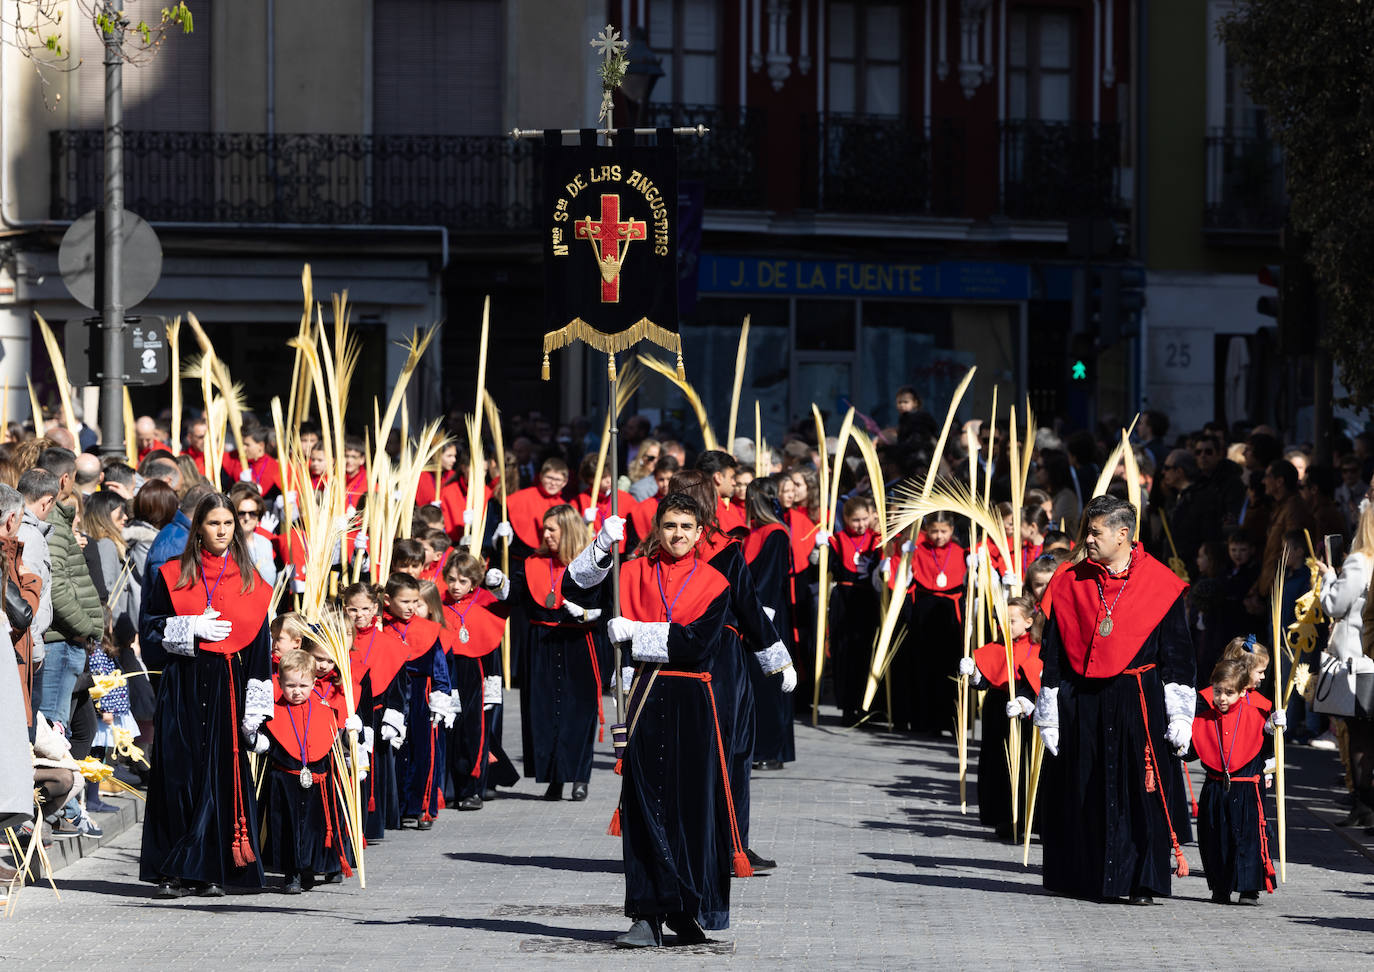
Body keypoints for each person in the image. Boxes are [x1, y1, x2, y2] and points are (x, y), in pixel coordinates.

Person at [568, 492, 786, 947]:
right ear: (657, 530)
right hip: (644, 697)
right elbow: (573, 591)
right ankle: (646, 915)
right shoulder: (630, 571)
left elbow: (697, 644)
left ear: (700, 532)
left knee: (693, 810)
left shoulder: (714, 582)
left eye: (687, 527)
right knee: (645, 809)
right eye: (670, 526)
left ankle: (687, 910)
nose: (678, 535)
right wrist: (599, 549)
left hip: (695, 700)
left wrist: (637, 632)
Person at [1034, 494, 1194, 905]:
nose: (1086, 538)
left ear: (1123, 534)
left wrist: (1180, 714)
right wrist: (1048, 710)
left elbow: (1177, 655)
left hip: (1137, 699)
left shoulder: (1162, 583)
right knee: (1084, 787)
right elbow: (1052, 652)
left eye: (1094, 531)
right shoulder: (1070, 580)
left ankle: (1140, 881)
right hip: (1083, 701)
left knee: (1137, 792)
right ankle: (1084, 877)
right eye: (1088, 530)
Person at [139, 492, 275, 898]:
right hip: (182, 685)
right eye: (214, 523)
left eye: (228, 523)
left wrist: (256, 712)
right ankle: (171, 871)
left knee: (220, 778)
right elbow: (149, 633)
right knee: (177, 775)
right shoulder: (172, 574)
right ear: (198, 526)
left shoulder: (252, 580)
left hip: (228, 688)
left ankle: (213, 869)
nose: (221, 530)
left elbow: (259, 649)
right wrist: (188, 628)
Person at [518, 504, 605, 800]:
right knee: (545, 711)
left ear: (567, 530)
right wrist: (500, 584)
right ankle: (554, 776)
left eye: (551, 529)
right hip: (542, 640)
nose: (545, 534)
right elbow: (517, 595)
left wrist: (589, 612)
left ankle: (580, 775)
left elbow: (606, 600)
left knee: (577, 711)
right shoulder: (533, 561)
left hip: (577, 641)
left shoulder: (590, 562)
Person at [1188, 650, 1281, 904]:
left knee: (1248, 837)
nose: (1221, 698)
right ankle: (1220, 886)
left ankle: (1249, 888)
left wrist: (1275, 730)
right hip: (1215, 788)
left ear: (1242, 692)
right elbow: (1192, 750)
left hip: (1246, 788)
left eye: (1228, 693)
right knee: (1215, 838)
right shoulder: (1204, 716)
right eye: (1218, 691)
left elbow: (1266, 747)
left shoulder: (1258, 714)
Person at [257, 647, 350, 894]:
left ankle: (308, 867)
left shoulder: (324, 712)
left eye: (303, 686)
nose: (296, 691)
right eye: (290, 685)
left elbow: (333, 747)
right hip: (285, 780)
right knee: (287, 828)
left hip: (316, 781)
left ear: (313, 683)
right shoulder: (271, 713)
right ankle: (292, 873)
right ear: (281, 682)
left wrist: (349, 735)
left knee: (314, 827)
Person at [33, 447, 104, 728]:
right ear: (64, 480)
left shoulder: (55, 519)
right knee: (53, 730)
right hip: (60, 641)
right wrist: (87, 627)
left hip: (63, 639)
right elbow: (56, 587)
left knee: (79, 730)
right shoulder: (52, 522)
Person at [959, 595, 1039, 838]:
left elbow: (1037, 680)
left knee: (1026, 764)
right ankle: (1004, 816)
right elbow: (983, 681)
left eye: (1012, 621)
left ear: (1028, 622)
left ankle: (1029, 818)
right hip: (998, 708)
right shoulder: (994, 649)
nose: (1006, 626)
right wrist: (973, 672)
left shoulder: (1039, 648)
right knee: (998, 764)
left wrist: (1026, 702)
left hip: (1028, 713)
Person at [439, 553, 513, 811]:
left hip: (475, 671)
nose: (456, 586)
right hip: (448, 670)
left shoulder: (485, 601)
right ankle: (450, 788)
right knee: (450, 731)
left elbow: (491, 644)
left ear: (473, 582)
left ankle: (473, 789)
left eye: (462, 580)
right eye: (451, 579)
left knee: (475, 732)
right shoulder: (440, 604)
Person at [381, 572, 455, 828]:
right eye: (405, 602)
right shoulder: (383, 626)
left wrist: (441, 694)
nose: (411, 607)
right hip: (394, 694)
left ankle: (424, 807)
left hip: (422, 692)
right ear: (388, 600)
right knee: (397, 752)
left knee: (425, 752)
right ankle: (400, 808)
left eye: (415, 602)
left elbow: (439, 666)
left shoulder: (428, 629)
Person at [342, 582, 408, 842]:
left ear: (376, 609)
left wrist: (394, 714)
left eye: (365, 609)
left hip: (377, 717)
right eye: (352, 609)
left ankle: (369, 826)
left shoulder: (389, 643)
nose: (359, 615)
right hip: (347, 713)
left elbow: (398, 687)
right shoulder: (338, 639)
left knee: (373, 773)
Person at [1321, 502, 1374, 823]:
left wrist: (1329, 577)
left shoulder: (1359, 562)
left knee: (1358, 735)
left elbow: (1334, 604)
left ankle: (1364, 806)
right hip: (1368, 656)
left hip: (1357, 658)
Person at [742, 477, 796, 769]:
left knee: (770, 683)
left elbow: (770, 579)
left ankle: (771, 751)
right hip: (754, 615)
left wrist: (760, 621)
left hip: (767, 617)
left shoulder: (775, 533)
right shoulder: (753, 532)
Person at [820, 496, 882, 725]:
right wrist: (822, 552)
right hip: (844, 599)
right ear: (845, 518)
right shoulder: (837, 540)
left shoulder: (875, 540)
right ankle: (847, 706)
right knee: (843, 652)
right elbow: (832, 568)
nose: (860, 524)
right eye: (855, 520)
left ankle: (863, 705)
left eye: (864, 519)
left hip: (866, 599)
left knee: (864, 651)